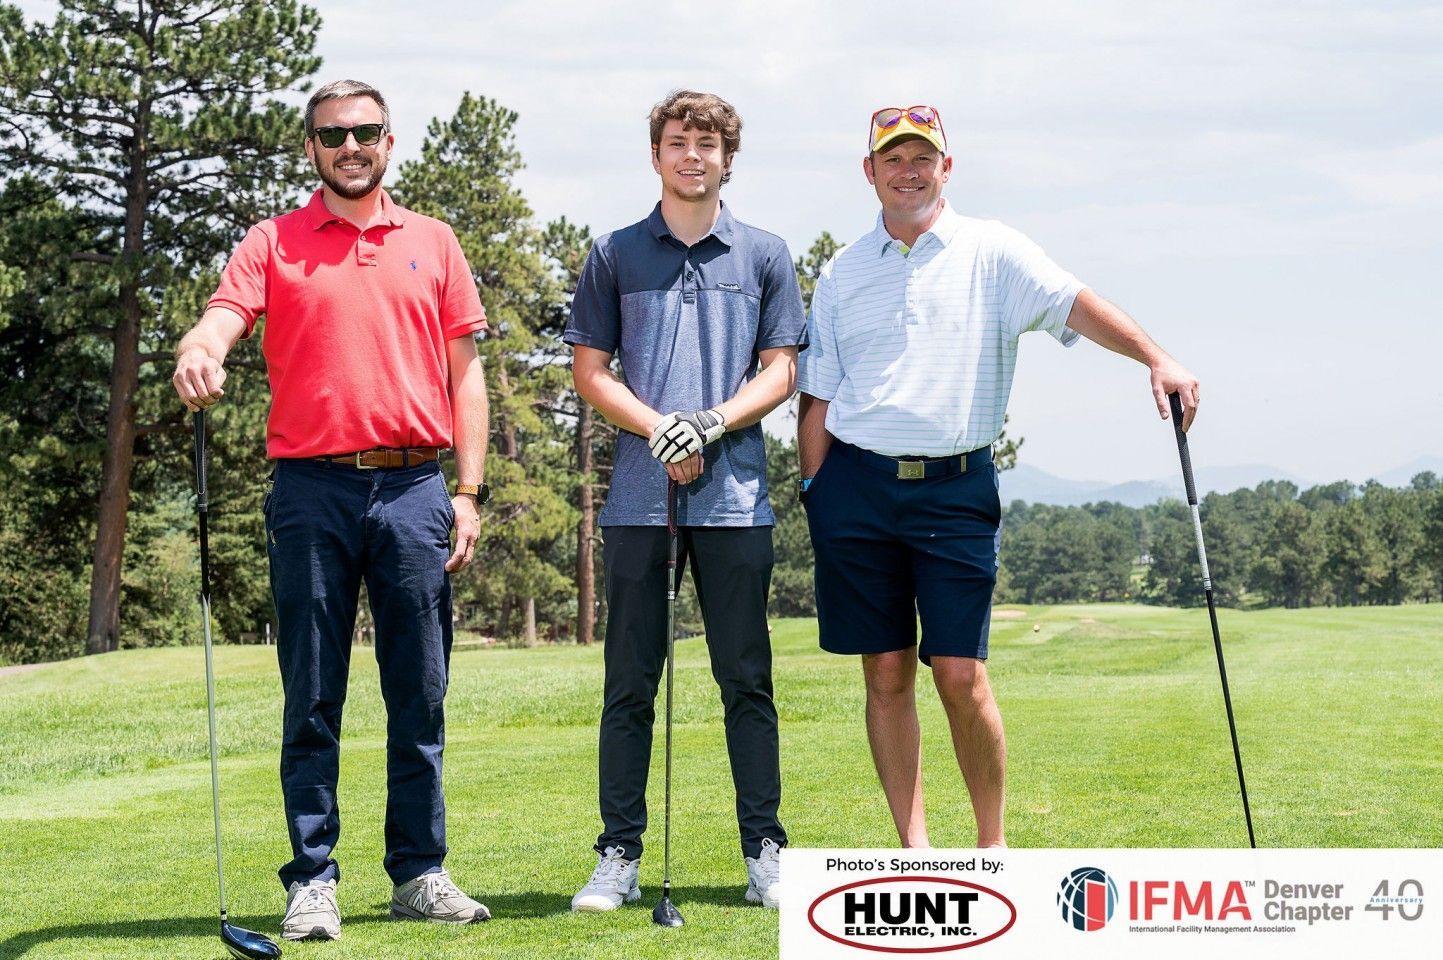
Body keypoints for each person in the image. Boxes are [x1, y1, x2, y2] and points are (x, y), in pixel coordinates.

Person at [796, 105, 1201, 849]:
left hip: (954, 491)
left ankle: (993, 847)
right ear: (870, 171)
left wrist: (1156, 357)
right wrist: (815, 492)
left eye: (923, 158)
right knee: (885, 672)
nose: (909, 172)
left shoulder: (994, 252)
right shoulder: (841, 270)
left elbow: (1076, 305)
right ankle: (915, 853)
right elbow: (818, 395)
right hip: (854, 489)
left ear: (946, 168)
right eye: (893, 159)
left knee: (959, 674)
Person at [172, 79, 492, 940]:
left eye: (365, 132)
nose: (350, 146)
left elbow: (466, 377)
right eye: (333, 135)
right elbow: (221, 318)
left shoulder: (434, 240)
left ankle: (418, 873)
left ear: (389, 141)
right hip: (311, 490)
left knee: (419, 693)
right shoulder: (271, 240)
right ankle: (313, 878)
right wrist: (200, 350)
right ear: (310, 148)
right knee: (312, 693)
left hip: (416, 488)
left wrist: (468, 492)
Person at [563, 89, 807, 912]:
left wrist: (708, 422)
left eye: (706, 143)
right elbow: (590, 370)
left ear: (727, 158)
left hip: (734, 501)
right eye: (677, 141)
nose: (691, 155)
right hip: (640, 503)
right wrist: (660, 427)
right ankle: (618, 854)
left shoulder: (765, 254)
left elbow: (780, 369)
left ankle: (764, 850)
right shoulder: (614, 254)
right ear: (656, 155)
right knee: (629, 685)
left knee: (746, 681)